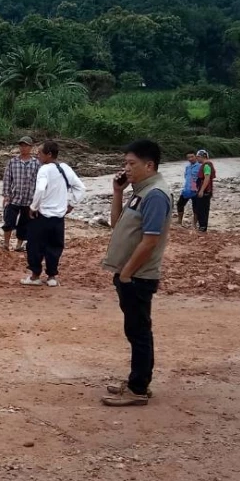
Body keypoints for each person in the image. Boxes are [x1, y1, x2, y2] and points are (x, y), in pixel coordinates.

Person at [102, 139, 174, 407]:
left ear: (149, 165)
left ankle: (138, 388)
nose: (126, 169)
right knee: (135, 330)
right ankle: (137, 380)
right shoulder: (141, 191)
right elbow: (115, 223)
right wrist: (118, 192)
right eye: (125, 163)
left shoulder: (155, 195)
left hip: (138, 276)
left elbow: (150, 240)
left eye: (131, 164)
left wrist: (126, 274)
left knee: (139, 331)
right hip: (130, 274)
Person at [22, 140, 86, 288]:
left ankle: (35, 276)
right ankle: (51, 276)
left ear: (49, 154)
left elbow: (40, 190)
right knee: (55, 246)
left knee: (35, 245)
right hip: (59, 217)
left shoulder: (44, 170)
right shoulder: (65, 168)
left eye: (39, 153)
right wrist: (71, 204)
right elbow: (81, 188)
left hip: (42, 215)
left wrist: (33, 207)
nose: (37, 155)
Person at [1, 136, 39, 252]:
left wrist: (38, 200)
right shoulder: (13, 162)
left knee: (24, 223)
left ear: (31, 147)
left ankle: (19, 245)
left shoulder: (36, 163)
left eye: (26, 145)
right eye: (21, 145)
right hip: (14, 198)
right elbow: (7, 179)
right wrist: (6, 195)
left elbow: (39, 182)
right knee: (8, 221)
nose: (23, 148)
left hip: (29, 199)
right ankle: (6, 244)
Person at [192, 149, 215, 232]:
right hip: (205, 190)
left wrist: (201, 190)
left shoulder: (206, 166)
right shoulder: (205, 165)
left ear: (203, 157)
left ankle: (203, 227)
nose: (197, 159)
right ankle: (202, 226)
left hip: (205, 191)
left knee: (203, 209)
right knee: (201, 208)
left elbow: (207, 179)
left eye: (198, 157)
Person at [175, 153, 200, 226]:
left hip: (195, 190)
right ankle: (179, 221)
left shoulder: (200, 166)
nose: (190, 159)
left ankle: (194, 224)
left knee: (195, 208)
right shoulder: (187, 167)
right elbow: (186, 177)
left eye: (192, 157)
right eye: (188, 157)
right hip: (187, 189)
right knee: (180, 204)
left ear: (196, 156)